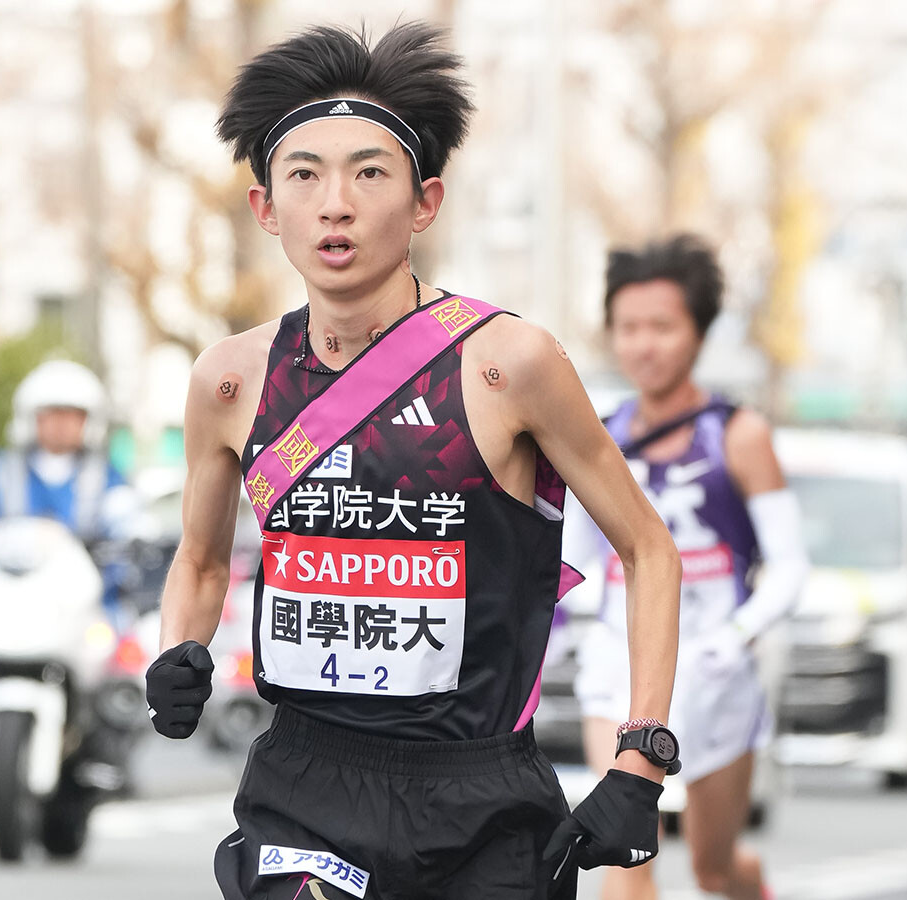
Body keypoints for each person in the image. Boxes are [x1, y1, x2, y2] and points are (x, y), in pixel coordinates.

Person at [145, 22, 683, 899]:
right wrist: (179, 648)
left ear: (424, 202)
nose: (336, 203)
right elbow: (201, 560)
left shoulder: (509, 364)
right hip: (302, 788)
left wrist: (641, 757)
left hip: (479, 800)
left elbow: (649, 550)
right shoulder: (230, 381)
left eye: (369, 172)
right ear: (266, 209)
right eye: (305, 175)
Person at [568, 235, 810, 900]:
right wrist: (577, 621)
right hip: (619, 666)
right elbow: (578, 555)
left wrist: (735, 639)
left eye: (663, 327)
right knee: (625, 853)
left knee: (714, 869)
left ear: (699, 333)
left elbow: (789, 566)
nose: (644, 345)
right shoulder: (597, 435)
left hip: (717, 674)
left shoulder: (739, 434)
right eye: (629, 328)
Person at [0, 359, 137, 618]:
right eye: (52, 413)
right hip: (8, 605)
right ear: (32, 418)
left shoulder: (106, 477)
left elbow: (128, 533)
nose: (61, 423)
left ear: (88, 421)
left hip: (86, 609)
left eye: (71, 414)